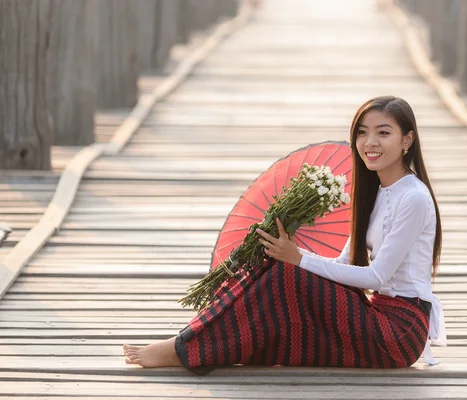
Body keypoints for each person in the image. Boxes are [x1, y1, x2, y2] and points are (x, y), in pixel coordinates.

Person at [123, 96, 446, 369]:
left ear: (407, 140)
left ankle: (183, 350)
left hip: (398, 332)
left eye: (383, 133)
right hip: (375, 315)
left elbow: (376, 277)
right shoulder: (376, 192)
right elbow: (345, 262)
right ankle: (190, 341)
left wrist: (299, 261)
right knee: (277, 270)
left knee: (286, 277)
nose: (370, 143)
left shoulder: (413, 198)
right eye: (362, 133)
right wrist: (291, 253)